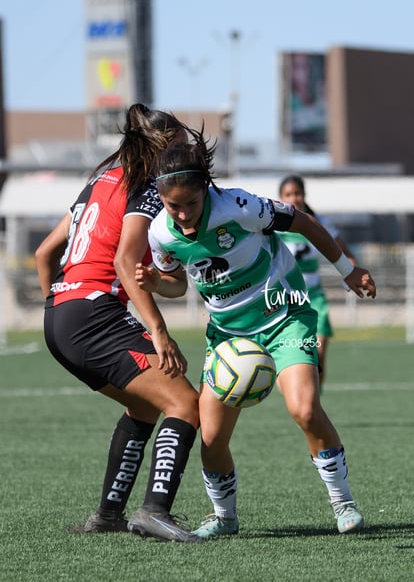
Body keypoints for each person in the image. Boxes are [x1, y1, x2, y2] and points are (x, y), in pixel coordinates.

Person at [134, 132, 376, 539]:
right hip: (228, 335)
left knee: (304, 408)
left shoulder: (239, 206)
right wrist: (158, 283)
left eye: (190, 204)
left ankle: (343, 502)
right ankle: (225, 517)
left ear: (206, 190)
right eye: (173, 206)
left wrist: (346, 269)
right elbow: (178, 285)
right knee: (210, 435)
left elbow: (302, 222)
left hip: (284, 315)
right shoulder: (160, 232)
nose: (182, 214)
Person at [35, 103, 200, 543]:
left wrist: (59, 303)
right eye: (181, 148)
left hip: (60, 318)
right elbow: (126, 263)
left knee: (145, 406)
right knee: (186, 403)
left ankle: (109, 514)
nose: (185, 158)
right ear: (161, 150)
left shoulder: (97, 182)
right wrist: (161, 334)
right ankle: (154, 511)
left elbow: (44, 254)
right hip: (93, 316)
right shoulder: (146, 186)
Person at [278, 174, 357, 387]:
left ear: (304, 195)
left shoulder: (318, 223)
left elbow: (345, 252)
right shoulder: (272, 225)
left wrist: (350, 271)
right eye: (288, 194)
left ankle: (314, 405)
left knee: (318, 353)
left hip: (314, 298)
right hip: (285, 301)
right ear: (280, 197)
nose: (293, 198)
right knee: (292, 358)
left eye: (297, 193)